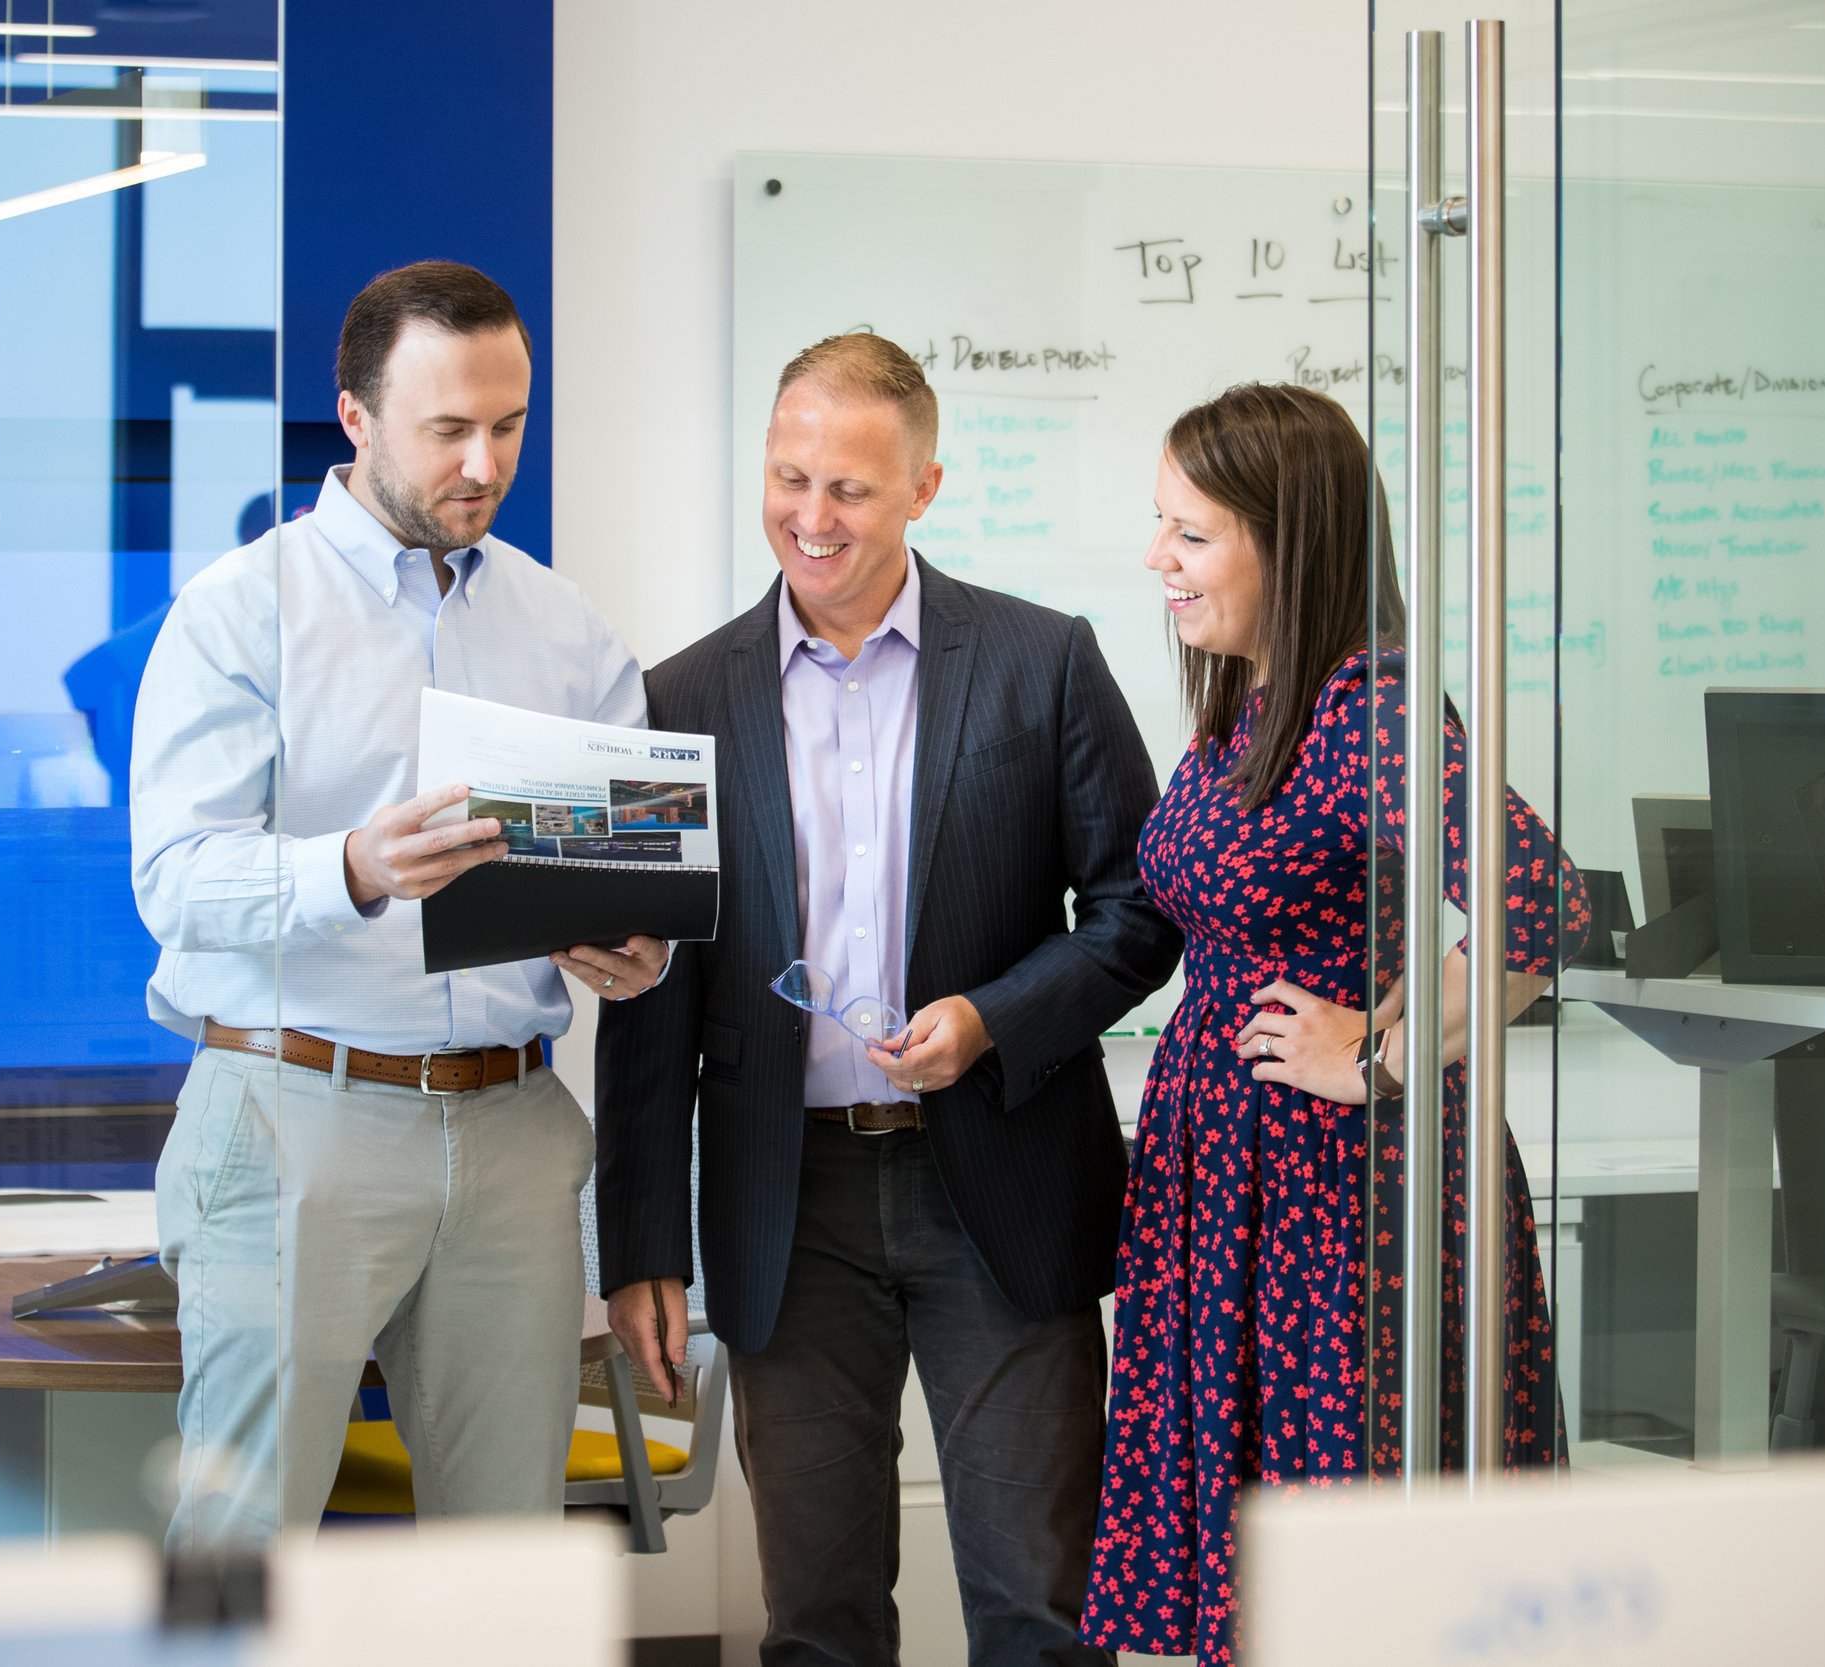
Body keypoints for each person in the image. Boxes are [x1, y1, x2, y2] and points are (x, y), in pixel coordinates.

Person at [597, 332, 1181, 1665]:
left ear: (924, 484)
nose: (811, 517)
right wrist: (641, 1237)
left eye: (850, 489)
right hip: (780, 1203)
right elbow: (651, 992)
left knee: (1040, 1604)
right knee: (816, 1619)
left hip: (1001, 1187)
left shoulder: (1043, 664)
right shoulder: (678, 698)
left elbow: (1142, 912)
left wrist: (990, 1019)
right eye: (788, 477)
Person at [130, 260, 668, 1545]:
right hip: (291, 1113)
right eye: (447, 430)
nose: (483, 462)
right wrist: (350, 870)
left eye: (509, 425)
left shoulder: (568, 629)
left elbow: (626, 877)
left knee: (505, 1562)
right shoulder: (237, 612)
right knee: (243, 1553)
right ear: (357, 420)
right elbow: (173, 880)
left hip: (512, 1126)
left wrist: (631, 945)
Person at [1078, 382, 1589, 1664]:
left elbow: (1537, 899)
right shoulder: (1255, 702)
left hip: (1334, 1192)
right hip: (1228, 1175)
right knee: (1261, 1554)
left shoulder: (1373, 702)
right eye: (1161, 526)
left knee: (1341, 1549)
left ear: (1285, 540)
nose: (1158, 559)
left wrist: (1372, 1054)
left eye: (1189, 534)